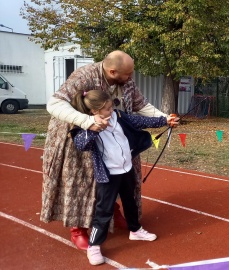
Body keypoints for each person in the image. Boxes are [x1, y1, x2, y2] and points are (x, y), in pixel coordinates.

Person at [41, 50, 173, 250]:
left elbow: (141, 105)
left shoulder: (125, 81)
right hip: (81, 138)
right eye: (128, 74)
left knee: (122, 176)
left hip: (115, 137)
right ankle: (79, 229)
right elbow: (54, 103)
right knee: (81, 183)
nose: (131, 78)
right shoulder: (84, 76)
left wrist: (165, 118)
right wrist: (87, 122)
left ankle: (114, 212)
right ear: (112, 72)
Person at [69, 90, 174, 265]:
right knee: (104, 210)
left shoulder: (119, 116)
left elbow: (140, 121)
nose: (112, 110)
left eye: (111, 106)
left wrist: (165, 120)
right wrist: (95, 128)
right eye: (108, 108)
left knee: (130, 201)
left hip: (126, 169)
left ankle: (135, 230)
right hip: (109, 174)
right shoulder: (86, 126)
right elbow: (81, 144)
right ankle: (94, 246)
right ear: (95, 112)